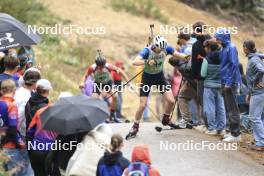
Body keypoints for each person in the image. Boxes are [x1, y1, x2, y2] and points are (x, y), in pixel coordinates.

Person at [127, 35, 188, 138]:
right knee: (142, 105)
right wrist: (146, 62)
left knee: (171, 101)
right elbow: (134, 62)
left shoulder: (166, 48)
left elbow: (179, 55)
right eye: (159, 49)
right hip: (147, 79)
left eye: (162, 49)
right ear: (155, 46)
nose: (161, 51)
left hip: (159, 78)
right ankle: (135, 126)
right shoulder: (147, 51)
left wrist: (187, 57)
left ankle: (166, 119)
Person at [79, 51, 129, 122]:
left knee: (115, 96)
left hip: (108, 83)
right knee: (93, 100)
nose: (102, 68)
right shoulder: (92, 68)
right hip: (98, 84)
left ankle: (112, 115)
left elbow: (121, 71)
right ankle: (95, 116)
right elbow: (85, 76)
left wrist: (128, 82)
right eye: (100, 67)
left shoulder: (108, 66)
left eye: (103, 66)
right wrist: (82, 82)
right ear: (97, 65)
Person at [215, 28, 242, 142]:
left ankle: (236, 135)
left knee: (233, 109)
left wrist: (229, 82)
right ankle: (232, 132)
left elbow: (234, 65)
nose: (216, 40)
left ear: (223, 38)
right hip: (225, 81)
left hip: (230, 83)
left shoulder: (231, 48)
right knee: (228, 107)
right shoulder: (224, 48)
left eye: (218, 38)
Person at [0, 79, 27, 175]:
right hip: (10, 146)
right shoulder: (11, 106)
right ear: (14, 90)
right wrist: (21, 144)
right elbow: (12, 129)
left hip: (2, 146)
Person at [201, 39, 226, 135]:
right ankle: (222, 129)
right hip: (220, 85)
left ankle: (212, 128)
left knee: (209, 108)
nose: (205, 49)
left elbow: (203, 74)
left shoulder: (206, 59)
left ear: (209, 48)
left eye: (205, 47)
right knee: (221, 107)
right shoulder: (223, 57)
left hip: (209, 86)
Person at [243, 40, 264, 151]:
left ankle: (261, 142)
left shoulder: (253, 60)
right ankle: (259, 140)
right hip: (257, 92)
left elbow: (261, 70)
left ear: (246, 48)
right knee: (258, 117)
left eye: (244, 47)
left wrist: (256, 82)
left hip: (258, 92)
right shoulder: (256, 56)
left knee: (254, 117)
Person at [27, 104, 58, 176]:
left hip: (36, 148)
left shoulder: (40, 111)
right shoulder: (65, 117)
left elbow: (30, 130)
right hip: (50, 153)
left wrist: (30, 147)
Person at [14, 68, 41, 138]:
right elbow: (19, 118)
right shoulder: (27, 98)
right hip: (20, 133)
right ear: (35, 83)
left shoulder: (18, 90)